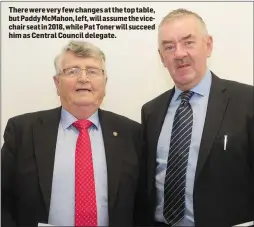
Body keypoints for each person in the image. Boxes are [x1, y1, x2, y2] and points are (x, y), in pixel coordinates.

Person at [1, 40, 142, 227]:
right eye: (73, 71)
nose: (83, 79)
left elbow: (143, 203)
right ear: (57, 83)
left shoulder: (131, 133)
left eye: (92, 71)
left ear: (105, 83)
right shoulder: (22, 131)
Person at [140, 8, 254, 227]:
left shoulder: (247, 102)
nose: (179, 53)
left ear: (208, 45)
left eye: (188, 42)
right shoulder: (151, 111)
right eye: (169, 47)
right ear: (161, 57)